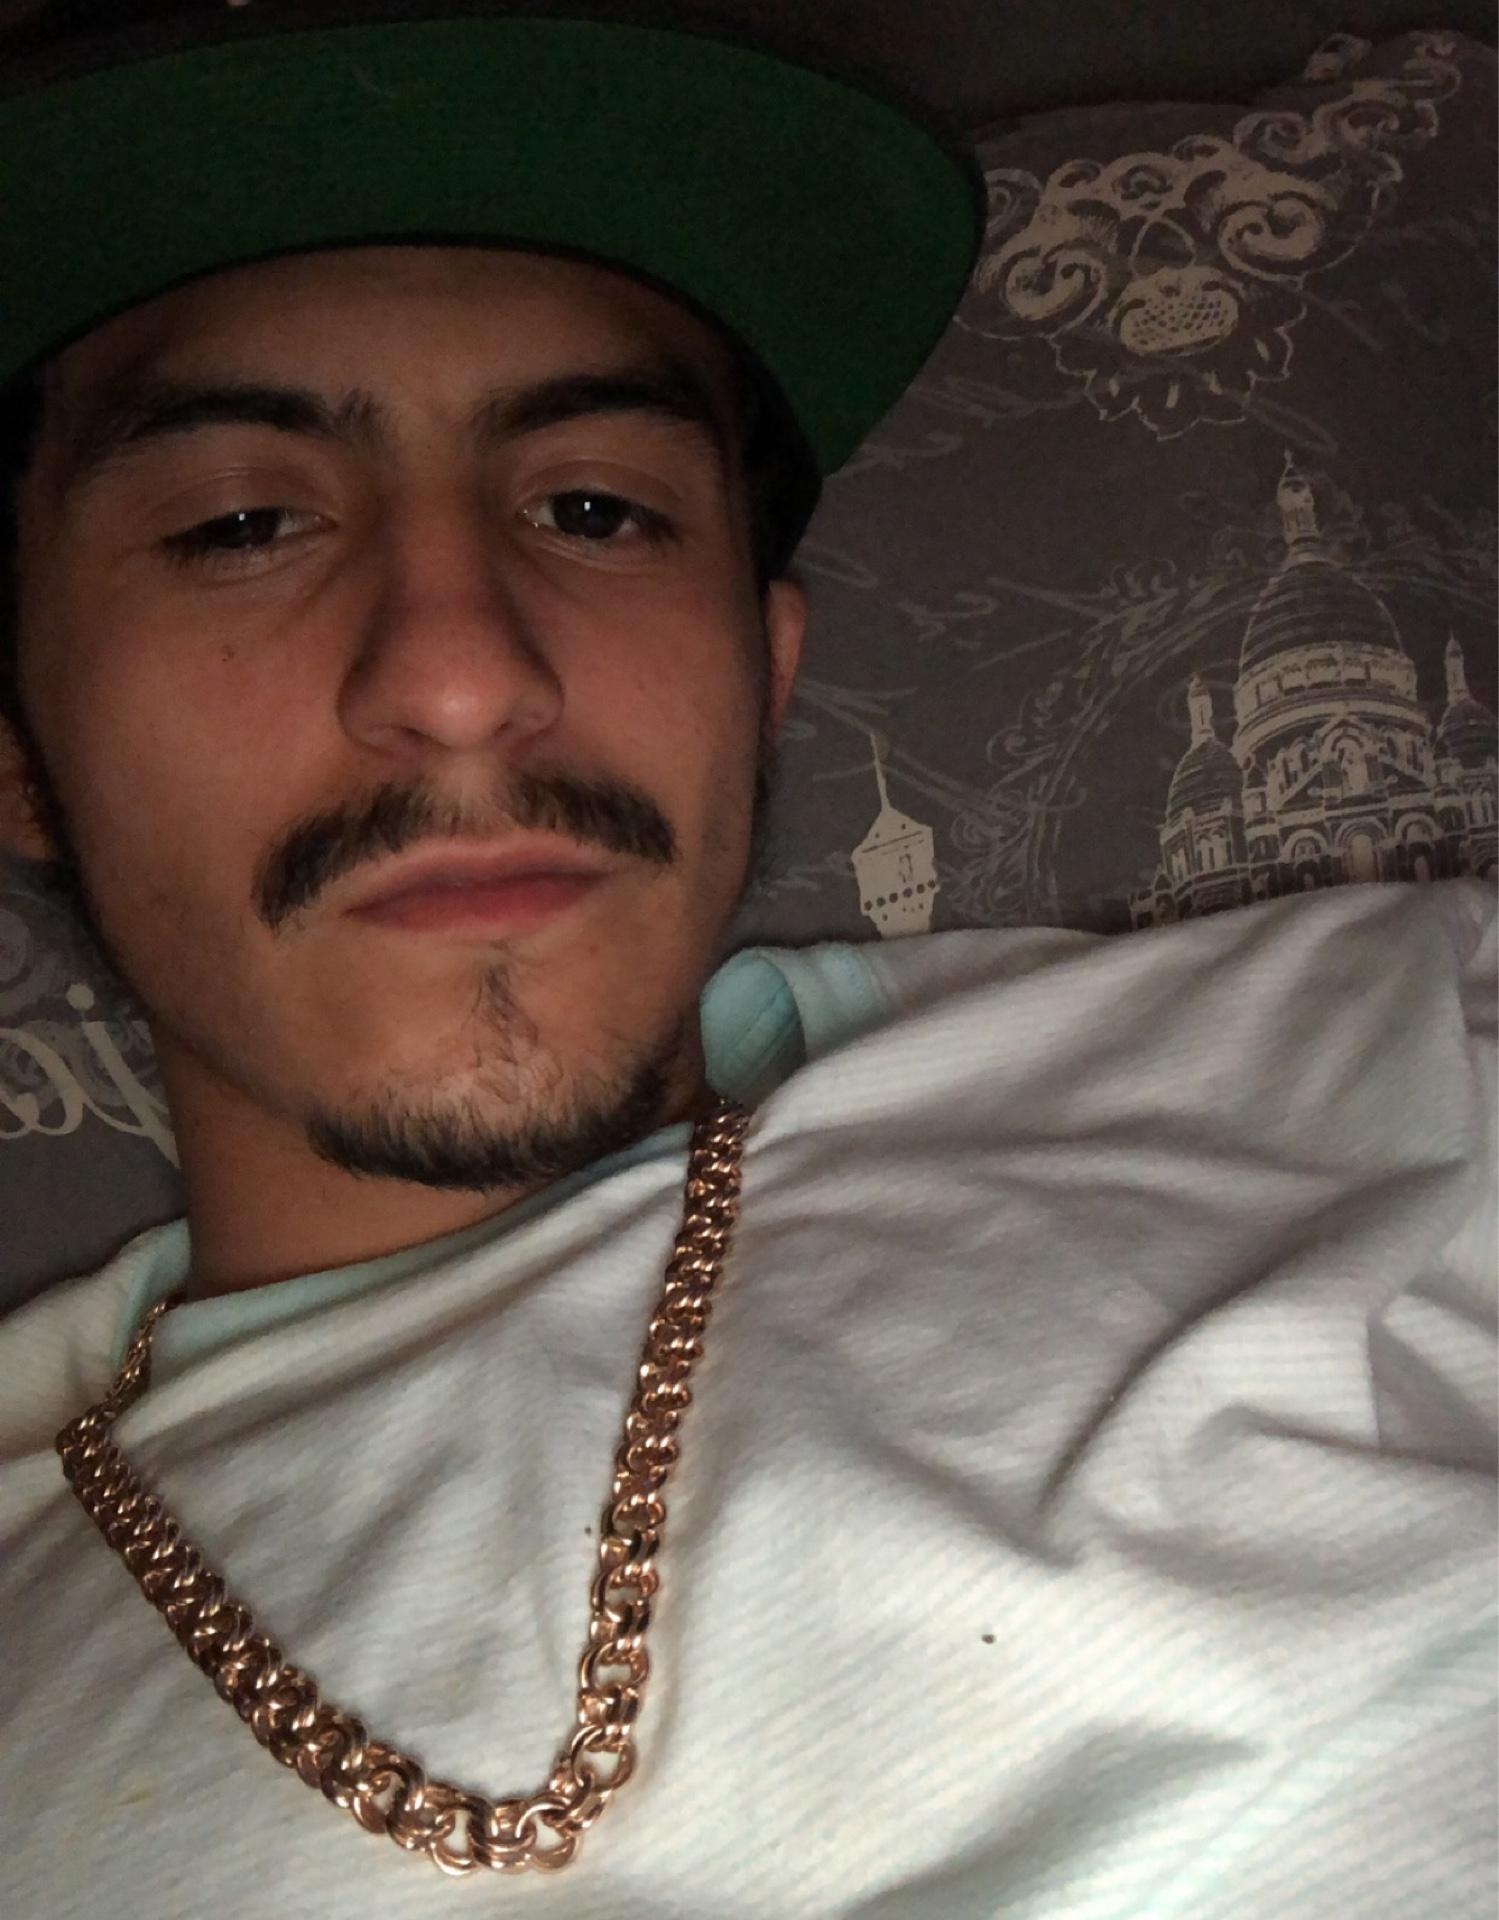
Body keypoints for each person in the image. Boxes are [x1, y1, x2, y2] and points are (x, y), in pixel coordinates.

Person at [0, 5, 1494, 1915]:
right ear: (19, 755)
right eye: (242, 523)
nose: (461, 676)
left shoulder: (1369, 1054)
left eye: (595, 510)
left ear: (766, 678)